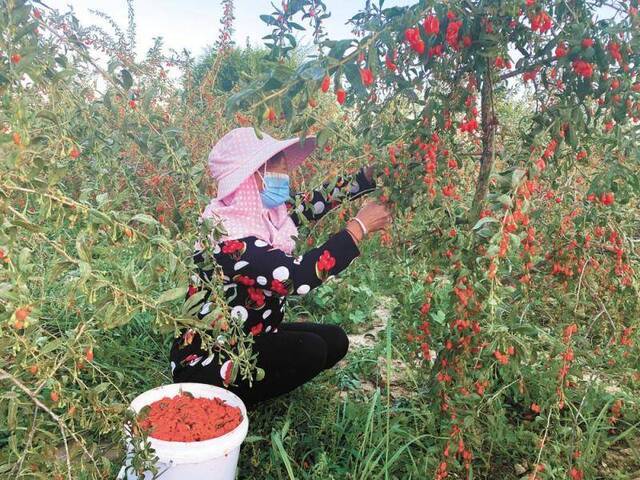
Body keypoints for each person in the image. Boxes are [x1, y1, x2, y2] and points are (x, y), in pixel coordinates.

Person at [169, 127, 392, 409]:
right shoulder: (228, 239)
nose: (286, 171)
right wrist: (358, 228)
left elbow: (313, 204)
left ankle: (251, 381)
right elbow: (297, 277)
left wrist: (365, 177)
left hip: (250, 334)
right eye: (277, 164)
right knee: (311, 351)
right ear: (251, 176)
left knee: (334, 340)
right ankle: (227, 400)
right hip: (209, 360)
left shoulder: (266, 216)